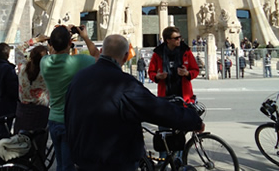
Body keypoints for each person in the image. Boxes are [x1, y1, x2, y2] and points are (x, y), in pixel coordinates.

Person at [65, 34, 204, 171]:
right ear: (126, 57)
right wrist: (193, 120)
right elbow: (156, 109)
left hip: (82, 158)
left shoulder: (79, 77)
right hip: (114, 160)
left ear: (101, 51)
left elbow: (68, 114)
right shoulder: (124, 83)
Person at [40, 25, 100, 171]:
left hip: (53, 119)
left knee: (61, 164)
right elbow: (97, 56)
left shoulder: (45, 62)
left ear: (51, 44)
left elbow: (53, 50)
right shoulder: (78, 62)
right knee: (67, 166)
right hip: (70, 121)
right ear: (69, 43)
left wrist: (59, 36)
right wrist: (85, 37)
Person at [14, 43, 50, 166]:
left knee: (21, 148)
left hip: (22, 112)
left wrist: (35, 40)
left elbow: (18, 49)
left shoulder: (22, 68)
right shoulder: (46, 72)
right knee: (39, 151)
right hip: (40, 114)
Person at [148, 26, 199, 104]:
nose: (179, 40)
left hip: (184, 95)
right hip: (165, 94)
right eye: (176, 38)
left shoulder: (186, 52)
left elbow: (195, 70)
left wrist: (187, 73)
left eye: (179, 37)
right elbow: (151, 72)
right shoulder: (158, 54)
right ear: (168, 40)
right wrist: (157, 76)